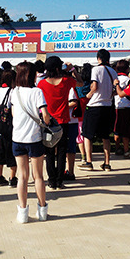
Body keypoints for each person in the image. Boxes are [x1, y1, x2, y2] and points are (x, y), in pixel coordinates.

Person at [11, 61, 51, 223]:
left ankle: (22, 213)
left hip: (18, 138)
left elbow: (14, 113)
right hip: (34, 138)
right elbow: (45, 115)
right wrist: (45, 122)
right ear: (33, 74)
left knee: (22, 177)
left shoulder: (15, 92)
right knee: (39, 176)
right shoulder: (37, 92)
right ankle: (42, 211)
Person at [37, 56, 77, 189]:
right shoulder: (66, 81)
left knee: (49, 151)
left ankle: (51, 180)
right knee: (61, 151)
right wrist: (72, 69)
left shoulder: (41, 84)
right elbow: (81, 83)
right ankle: (60, 180)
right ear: (57, 67)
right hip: (63, 121)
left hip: (48, 121)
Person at [80, 49, 117, 171]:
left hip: (95, 105)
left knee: (87, 134)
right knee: (105, 136)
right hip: (107, 106)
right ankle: (107, 163)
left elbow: (95, 86)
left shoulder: (96, 69)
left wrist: (89, 94)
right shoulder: (113, 71)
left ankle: (88, 162)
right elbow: (115, 90)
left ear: (98, 58)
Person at [0, 69, 17, 187]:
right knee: (11, 151)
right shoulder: (13, 91)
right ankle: (12, 177)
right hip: (9, 124)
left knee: (0, 151)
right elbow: (13, 108)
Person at [113, 60, 130, 158]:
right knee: (126, 131)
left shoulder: (114, 79)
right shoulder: (128, 80)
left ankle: (117, 148)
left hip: (116, 106)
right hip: (127, 106)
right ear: (127, 69)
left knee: (117, 129)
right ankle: (126, 151)